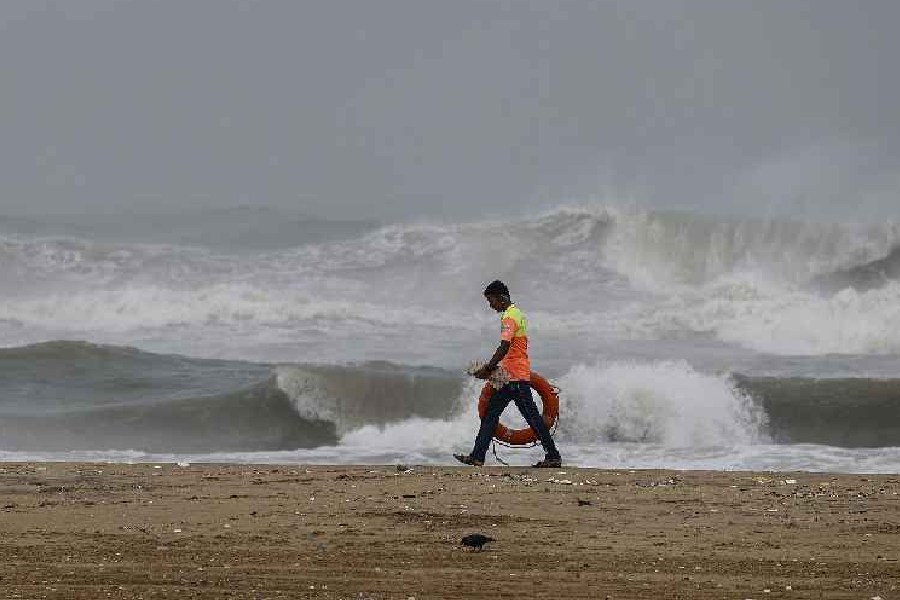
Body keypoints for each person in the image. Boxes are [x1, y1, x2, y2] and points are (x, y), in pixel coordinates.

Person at [454, 280, 563, 468]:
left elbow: (504, 346)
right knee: (490, 416)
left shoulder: (510, 317)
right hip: (507, 377)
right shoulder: (514, 314)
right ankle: (477, 457)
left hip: (516, 378)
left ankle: (553, 456)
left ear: (501, 298)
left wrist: (488, 368)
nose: (490, 305)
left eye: (491, 301)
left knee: (532, 419)